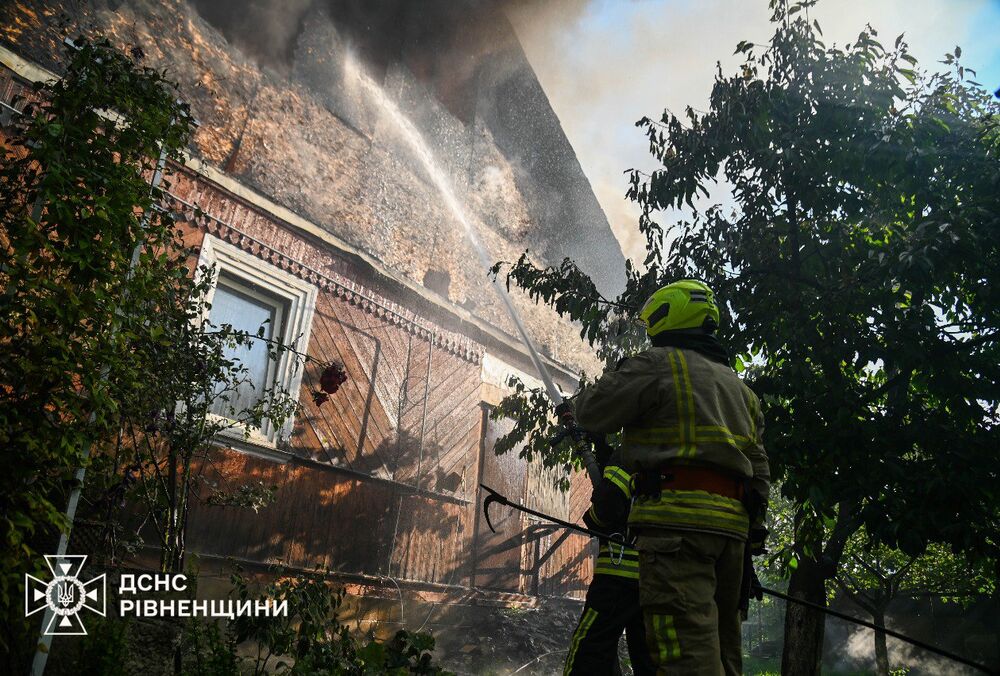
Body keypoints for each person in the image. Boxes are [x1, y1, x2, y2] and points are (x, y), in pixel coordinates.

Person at [572, 280, 770, 675]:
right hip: (731, 540)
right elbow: (759, 470)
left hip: (677, 534)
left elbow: (593, 411)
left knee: (683, 655)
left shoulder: (659, 363)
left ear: (669, 317)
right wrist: (753, 532)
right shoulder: (740, 390)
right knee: (722, 650)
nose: (649, 333)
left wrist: (582, 402)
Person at [563, 442, 655, 676]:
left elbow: (605, 509)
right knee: (650, 659)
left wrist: (593, 518)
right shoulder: (678, 453)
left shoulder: (629, 454)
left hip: (619, 576)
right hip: (659, 578)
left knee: (588, 649)